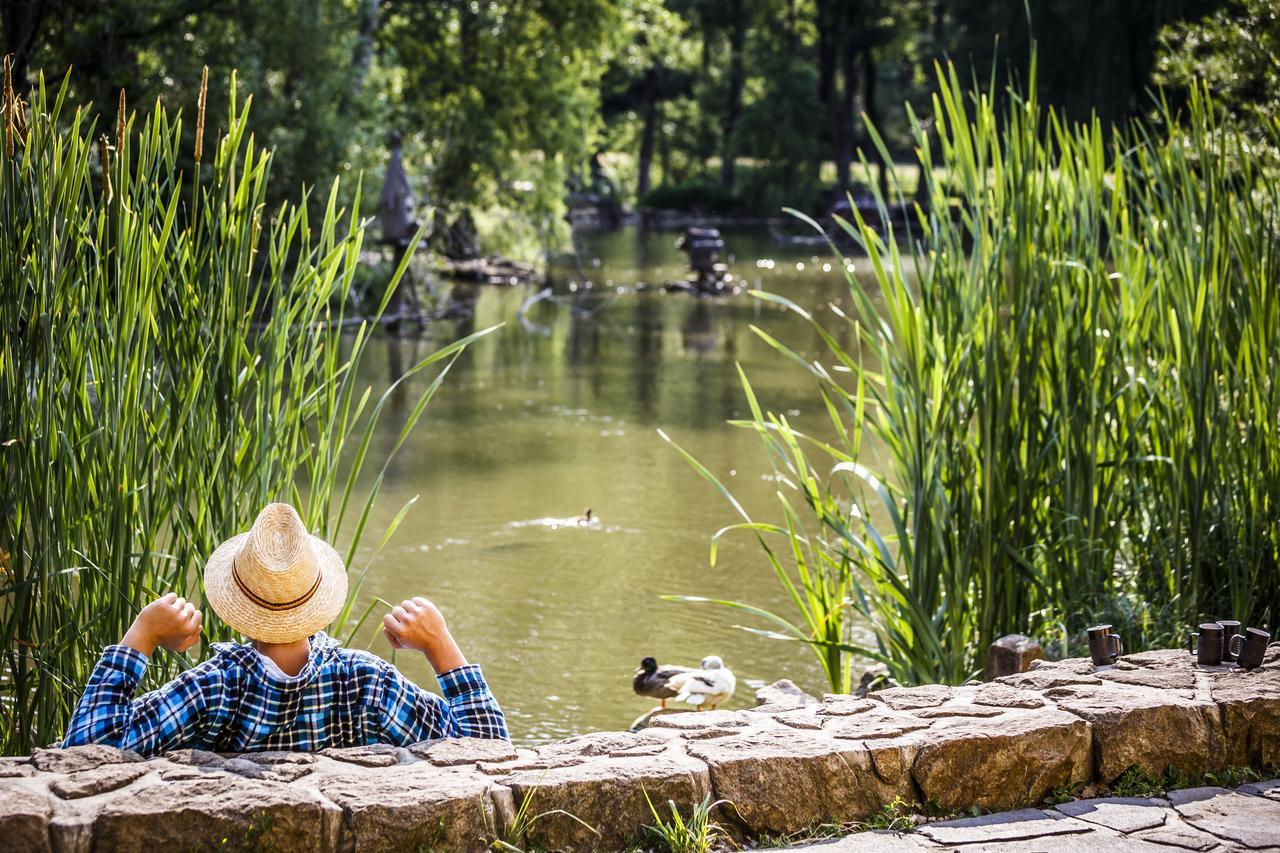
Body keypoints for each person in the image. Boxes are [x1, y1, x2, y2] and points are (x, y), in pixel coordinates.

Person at [62, 503, 507, 756]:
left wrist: (140, 637)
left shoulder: (215, 687)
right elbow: (489, 747)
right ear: (319, 602)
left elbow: (86, 751)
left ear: (236, 604)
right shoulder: (364, 683)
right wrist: (439, 645)